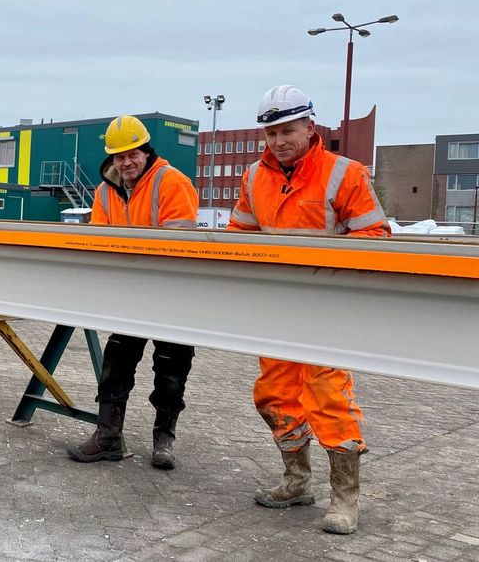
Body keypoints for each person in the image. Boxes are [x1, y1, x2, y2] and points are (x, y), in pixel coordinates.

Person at [229, 85, 389, 535]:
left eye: (288, 130)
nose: (279, 140)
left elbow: (375, 236)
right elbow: (240, 236)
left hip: (326, 307)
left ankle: (345, 498)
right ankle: (296, 481)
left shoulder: (344, 174)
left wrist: (322, 264)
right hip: (276, 306)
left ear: (309, 128)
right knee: (274, 394)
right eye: (272, 132)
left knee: (328, 395)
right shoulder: (254, 177)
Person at [67, 115, 198, 470]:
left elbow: (179, 246)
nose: (125, 162)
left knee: (171, 369)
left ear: (146, 151)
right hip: (128, 295)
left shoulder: (172, 183)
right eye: (119, 156)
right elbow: (99, 244)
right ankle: (108, 436)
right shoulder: (105, 191)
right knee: (116, 363)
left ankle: (164, 440)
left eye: (132, 154)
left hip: (171, 293)